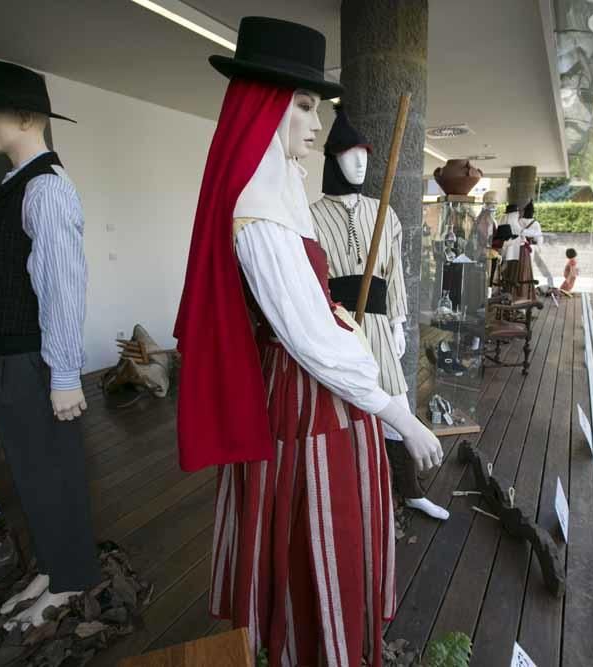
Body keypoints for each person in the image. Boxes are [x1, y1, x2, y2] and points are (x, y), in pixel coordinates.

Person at [174, 17, 443, 666]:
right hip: (305, 400)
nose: (316, 124)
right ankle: (320, 648)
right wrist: (398, 411)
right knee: (323, 533)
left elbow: (310, 313)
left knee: (322, 532)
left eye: (315, 106)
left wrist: (339, 321)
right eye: (302, 105)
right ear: (263, 104)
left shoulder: (280, 189)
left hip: (315, 387)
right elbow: (309, 337)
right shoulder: (261, 205)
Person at [0, 59, 101, 628]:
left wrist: (63, 375)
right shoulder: (16, 187)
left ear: (28, 116)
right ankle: (55, 566)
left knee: (53, 471)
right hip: (9, 357)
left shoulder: (46, 190)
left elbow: (63, 289)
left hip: (35, 359)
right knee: (31, 472)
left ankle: (74, 575)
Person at [310, 105, 449, 522]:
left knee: (396, 408)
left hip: (378, 324)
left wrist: (397, 320)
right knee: (347, 413)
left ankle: (410, 491)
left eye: (366, 156)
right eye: (351, 155)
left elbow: (395, 272)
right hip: (337, 324)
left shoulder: (383, 213)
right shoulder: (312, 215)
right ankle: (362, 501)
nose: (360, 163)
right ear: (333, 159)